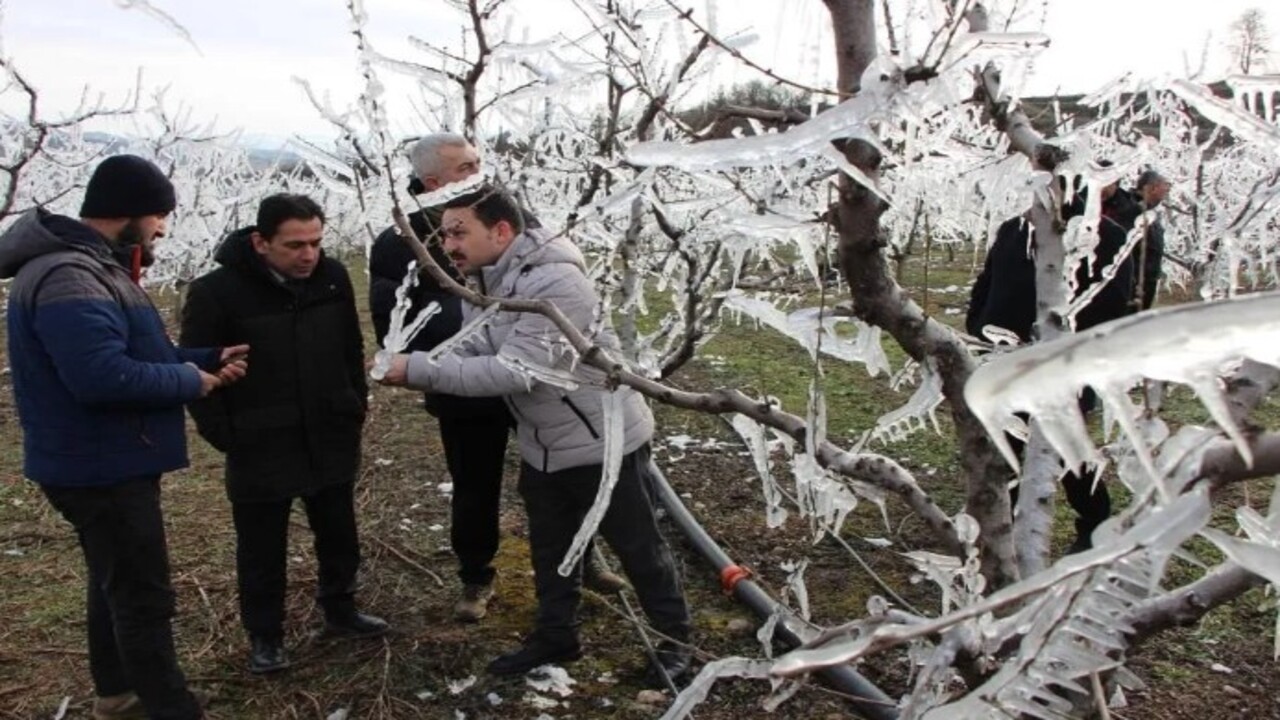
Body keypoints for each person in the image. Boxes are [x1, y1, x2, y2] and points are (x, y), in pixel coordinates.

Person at [376, 185, 693, 685]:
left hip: (601, 441)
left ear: (501, 231)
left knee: (638, 547)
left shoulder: (554, 283)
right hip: (544, 441)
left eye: (459, 233)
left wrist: (417, 369)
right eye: (444, 234)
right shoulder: (485, 281)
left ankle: (677, 642)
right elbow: (474, 345)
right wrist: (425, 362)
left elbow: (515, 371)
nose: (448, 246)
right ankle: (556, 635)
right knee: (551, 548)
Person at [0, 154, 248, 720]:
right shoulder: (70, 275)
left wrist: (205, 358)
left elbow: (129, 355)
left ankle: (116, 691)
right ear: (130, 211)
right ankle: (167, 708)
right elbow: (100, 377)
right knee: (142, 594)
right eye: (160, 214)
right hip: (98, 465)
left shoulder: (94, 267)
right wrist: (191, 380)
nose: (163, 228)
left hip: (102, 459)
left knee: (114, 580)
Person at [368, 133, 622, 623]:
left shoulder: (507, 215)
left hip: (534, 380)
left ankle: (585, 557)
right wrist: (469, 342)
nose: (478, 172)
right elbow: (396, 325)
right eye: (466, 167)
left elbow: (549, 276)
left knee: (562, 474)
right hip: (462, 383)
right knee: (474, 483)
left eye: (478, 162)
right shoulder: (400, 242)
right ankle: (476, 575)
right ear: (432, 181)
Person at [180, 193, 386, 675]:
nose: (309, 255)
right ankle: (265, 636)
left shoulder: (332, 278)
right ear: (260, 241)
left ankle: (341, 609)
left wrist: (353, 405)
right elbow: (196, 367)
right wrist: (225, 435)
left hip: (330, 430)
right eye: (295, 245)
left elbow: (349, 346)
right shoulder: (217, 292)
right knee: (261, 547)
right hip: (259, 440)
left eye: (316, 242)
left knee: (339, 532)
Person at [967, 171, 1141, 551]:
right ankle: (1004, 527)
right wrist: (980, 323)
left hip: (1065, 365)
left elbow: (1111, 303)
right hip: (1004, 360)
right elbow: (988, 280)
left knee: (1067, 444)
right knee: (1006, 442)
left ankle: (1095, 522)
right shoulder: (1013, 228)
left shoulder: (1103, 234)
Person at [1130, 169, 1170, 311]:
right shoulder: (1133, 209)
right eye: (1165, 186)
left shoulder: (1150, 211)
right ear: (1151, 188)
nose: (1166, 191)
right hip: (1134, 284)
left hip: (1147, 281)